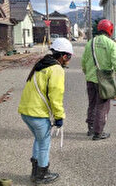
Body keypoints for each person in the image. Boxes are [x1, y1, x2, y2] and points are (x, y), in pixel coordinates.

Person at [18, 38, 74, 184]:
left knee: (39, 139)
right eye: (69, 57)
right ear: (63, 56)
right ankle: (42, 175)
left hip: (26, 112)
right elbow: (56, 96)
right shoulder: (56, 69)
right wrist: (59, 117)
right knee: (44, 144)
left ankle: (35, 173)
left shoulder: (41, 65)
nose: (68, 60)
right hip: (37, 114)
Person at [82, 19, 116, 140]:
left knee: (92, 104)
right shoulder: (111, 44)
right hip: (104, 80)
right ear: (110, 30)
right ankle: (98, 133)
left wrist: (87, 73)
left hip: (90, 79)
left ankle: (91, 129)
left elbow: (84, 61)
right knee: (102, 106)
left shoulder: (90, 43)